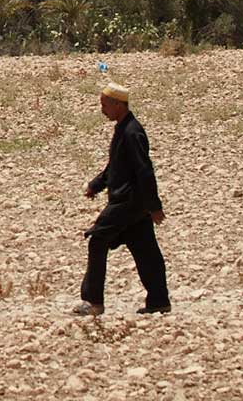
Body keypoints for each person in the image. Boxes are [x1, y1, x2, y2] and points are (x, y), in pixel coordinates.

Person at [73, 82, 171, 316]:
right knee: (145, 250)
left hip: (127, 202)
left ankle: (93, 301)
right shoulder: (123, 128)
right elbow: (115, 167)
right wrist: (96, 185)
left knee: (97, 240)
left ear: (118, 105)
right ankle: (158, 301)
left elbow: (145, 170)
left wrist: (154, 206)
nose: (102, 110)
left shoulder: (132, 132)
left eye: (105, 105)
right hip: (133, 204)